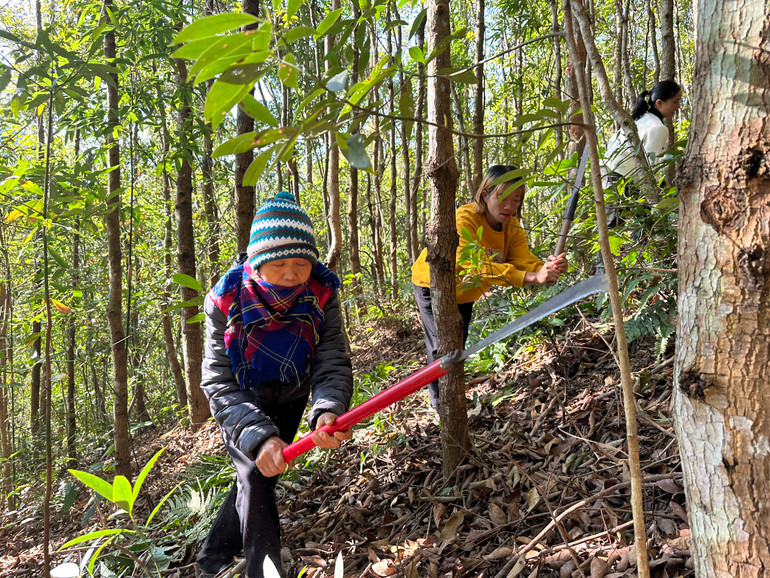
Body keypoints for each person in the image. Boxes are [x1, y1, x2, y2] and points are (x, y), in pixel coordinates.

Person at [196, 191, 354, 578]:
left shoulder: (321, 292)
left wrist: (328, 408)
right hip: (244, 394)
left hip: (294, 388)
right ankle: (263, 570)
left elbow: (331, 356)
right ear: (256, 263)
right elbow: (218, 379)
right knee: (257, 471)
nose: (291, 274)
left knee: (265, 470)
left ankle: (213, 554)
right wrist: (258, 435)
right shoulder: (226, 300)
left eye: (301, 262)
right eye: (278, 263)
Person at [411, 165, 568, 412]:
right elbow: (478, 269)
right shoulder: (465, 219)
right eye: (502, 198)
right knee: (441, 347)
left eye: (516, 200)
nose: (509, 206)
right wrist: (533, 277)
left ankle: (453, 399)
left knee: (457, 344)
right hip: (431, 286)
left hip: (465, 293)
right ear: (485, 194)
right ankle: (442, 406)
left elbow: (523, 261)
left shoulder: (512, 226)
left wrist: (547, 268)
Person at [603, 80, 682, 185]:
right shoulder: (657, 127)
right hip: (619, 180)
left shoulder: (641, 119)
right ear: (659, 103)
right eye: (675, 102)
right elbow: (651, 168)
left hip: (605, 175)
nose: (678, 106)